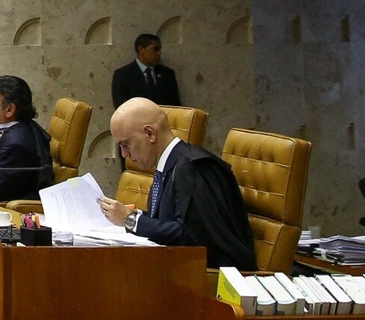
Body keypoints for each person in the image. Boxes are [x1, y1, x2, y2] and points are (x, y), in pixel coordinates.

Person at [99, 98, 256, 269]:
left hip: (214, 278)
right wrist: (139, 216)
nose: (124, 154)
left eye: (126, 144)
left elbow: (194, 239)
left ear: (150, 134)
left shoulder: (195, 168)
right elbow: (173, 219)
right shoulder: (168, 166)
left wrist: (131, 220)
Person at [111, 33, 181, 107]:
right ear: (141, 50)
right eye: (155, 49)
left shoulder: (167, 74)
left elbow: (176, 105)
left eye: (160, 49)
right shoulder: (123, 75)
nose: (159, 53)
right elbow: (121, 107)